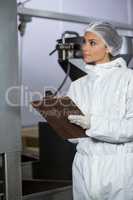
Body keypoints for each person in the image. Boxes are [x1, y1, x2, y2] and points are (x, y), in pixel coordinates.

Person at [67, 21, 133, 200]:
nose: (84, 47)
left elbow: (131, 128)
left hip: (119, 168)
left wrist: (92, 123)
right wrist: (61, 122)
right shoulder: (77, 85)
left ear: (109, 47)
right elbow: (74, 137)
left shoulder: (128, 79)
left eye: (92, 42)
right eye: (84, 42)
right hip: (84, 166)